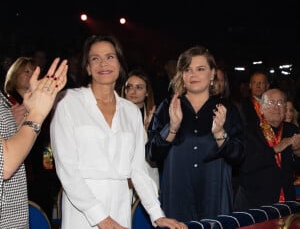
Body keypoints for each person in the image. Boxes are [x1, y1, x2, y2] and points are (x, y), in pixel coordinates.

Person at [50, 34, 187, 229]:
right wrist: (100, 217)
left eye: (110, 57)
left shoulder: (130, 111)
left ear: (120, 64)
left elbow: (138, 170)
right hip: (81, 209)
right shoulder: (68, 102)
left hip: (120, 203)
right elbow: (67, 169)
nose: (103, 63)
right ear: (87, 67)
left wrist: (157, 215)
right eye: (95, 58)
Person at [146, 45, 245, 222]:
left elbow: (238, 156)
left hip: (214, 200)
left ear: (212, 73)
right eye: (187, 70)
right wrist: (173, 127)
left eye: (200, 69)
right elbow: (152, 154)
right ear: (181, 75)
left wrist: (219, 133)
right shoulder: (169, 106)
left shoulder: (227, 109)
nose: (193, 75)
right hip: (177, 200)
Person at [0, 57, 68, 229]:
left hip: (40, 156)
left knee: (45, 189)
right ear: (14, 75)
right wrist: (36, 113)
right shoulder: (9, 100)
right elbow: (5, 164)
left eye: (33, 70)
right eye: (26, 71)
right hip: (22, 169)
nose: (30, 75)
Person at [234, 88, 300, 210]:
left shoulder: (293, 131)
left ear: (285, 108)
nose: (276, 107)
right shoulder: (248, 131)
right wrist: (275, 149)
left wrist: (297, 152)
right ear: (261, 107)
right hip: (255, 202)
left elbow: (296, 168)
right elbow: (245, 166)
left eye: (280, 103)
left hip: (286, 201)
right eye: (271, 103)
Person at [121, 69, 159, 199]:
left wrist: (147, 130)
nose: (133, 91)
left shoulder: (155, 117)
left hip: (147, 175)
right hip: (123, 179)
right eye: (129, 87)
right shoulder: (115, 116)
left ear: (147, 92)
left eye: (139, 87)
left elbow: (155, 154)